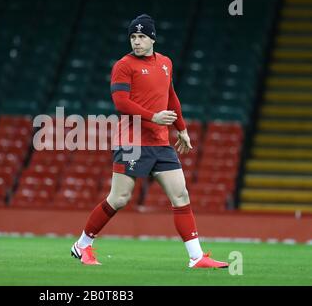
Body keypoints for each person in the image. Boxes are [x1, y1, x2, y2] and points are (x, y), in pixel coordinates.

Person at [70, 14, 228, 268]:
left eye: (142, 36)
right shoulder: (123, 65)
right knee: (119, 198)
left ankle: (196, 257)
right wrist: (154, 117)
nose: (136, 41)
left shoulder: (165, 63)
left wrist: (182, 129)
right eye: (133, 36)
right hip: (131, 141)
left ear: (152, 38)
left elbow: (171, 96)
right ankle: (82, 245)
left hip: (160, 143)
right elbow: (121, 103)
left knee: (181, 195)